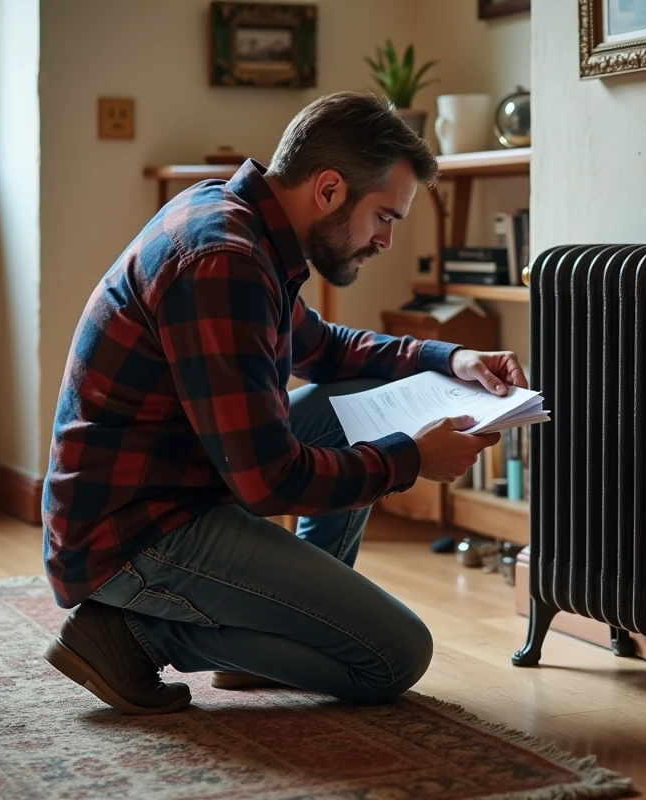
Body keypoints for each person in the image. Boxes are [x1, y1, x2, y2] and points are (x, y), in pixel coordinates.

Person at [40, 91, 528, 715]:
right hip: (134, 532)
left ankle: (273, 632)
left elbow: (326, 351)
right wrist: (410, 458)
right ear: (328, 190)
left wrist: (449, 358)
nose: (384, 240)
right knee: (395, 658)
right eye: (384, 217)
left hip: (175, 489)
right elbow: (270, 480)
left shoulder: (237, 221)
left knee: (349, 395)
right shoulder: (223, 260)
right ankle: (131, 633)